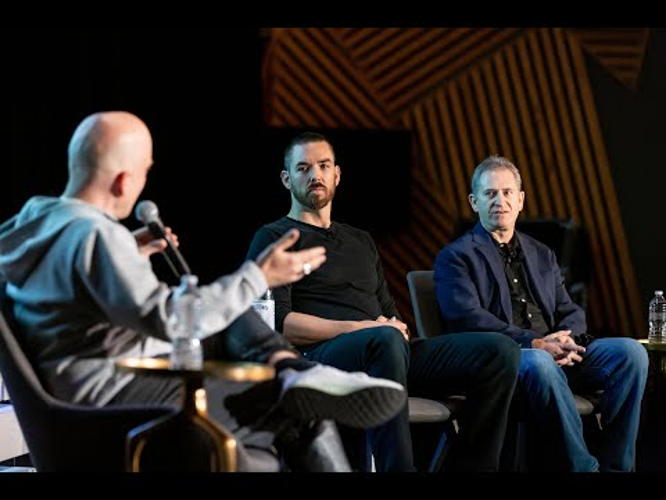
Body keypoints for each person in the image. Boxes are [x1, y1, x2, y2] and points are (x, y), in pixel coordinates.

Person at [0, 111, 408, 472]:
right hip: (112, 400)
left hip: (76, 393)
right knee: (296, 410)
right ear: (123, 180)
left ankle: (294, 373)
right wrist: (257, 276)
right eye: (144, 172)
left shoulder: (40, 218)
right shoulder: (95, 236)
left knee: (237, 320)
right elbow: (174, 320)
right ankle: (295, 378)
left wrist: (128, 252)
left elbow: (70, 294)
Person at [245, 131, 521, 472]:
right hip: (320, 357)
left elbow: (389, 315)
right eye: (303, 168)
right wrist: (362, 328)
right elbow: (278, 324)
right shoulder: (274, 237)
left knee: (499, 350)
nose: (315, 175)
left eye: (324, 166)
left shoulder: (361, 240)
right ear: (287, 179)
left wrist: (393, 327)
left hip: (385, 350)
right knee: (385, 339)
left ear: (337, 175)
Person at [434, 154, 649, 472]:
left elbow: (569, 309)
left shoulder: (542, 253)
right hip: (510, 361)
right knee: (539, 361)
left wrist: (567, 340)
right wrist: (536, 343)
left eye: (507, 192)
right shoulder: (455, 257)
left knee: (630, 353)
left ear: (520, 200)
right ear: (474, 202)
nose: (500, 201)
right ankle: (582, 468)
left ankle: (617, 466)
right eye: (490, 193)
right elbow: (468, 319)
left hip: (557, 353)